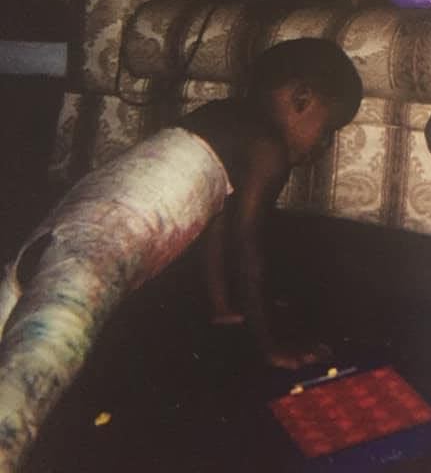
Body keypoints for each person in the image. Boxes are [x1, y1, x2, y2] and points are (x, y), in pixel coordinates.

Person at [0, 38, 363, 471]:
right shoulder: (267, 148)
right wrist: (271, 345)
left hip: (55, 232)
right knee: (29, 385)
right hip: (95, 251)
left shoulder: (219, 125)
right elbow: (248, 244)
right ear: (301, 99)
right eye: (328, 129)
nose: (323, 145)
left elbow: (214, 219)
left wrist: (223, 307)